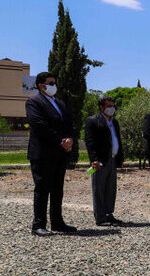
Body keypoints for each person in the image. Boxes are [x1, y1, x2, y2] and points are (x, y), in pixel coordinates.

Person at [25, 72, 76, 236]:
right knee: (42, 188)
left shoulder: (59, 103)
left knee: (57, 189)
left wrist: (71, 139)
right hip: (43, 153)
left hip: (60, 154)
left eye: (54, 82)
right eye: (50, 83)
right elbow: (40, 126)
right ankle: (38, 225)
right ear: (41, 85)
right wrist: (61, 141)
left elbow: (69, 123)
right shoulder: (34, 102)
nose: (54, 85)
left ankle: (57, 222)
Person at [84, 95, 125, 226]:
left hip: (112, 160)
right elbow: (90, 142)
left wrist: (120, 157)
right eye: (108, 106)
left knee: (110, 188)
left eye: (113, 106)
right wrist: (93, 159)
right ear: (101, 107)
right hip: (100, 161)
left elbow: (118, 139)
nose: (111, 108)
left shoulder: (115, 122)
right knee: (99, 188)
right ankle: (100, 217)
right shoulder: (93, 121)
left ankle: (109, 213)